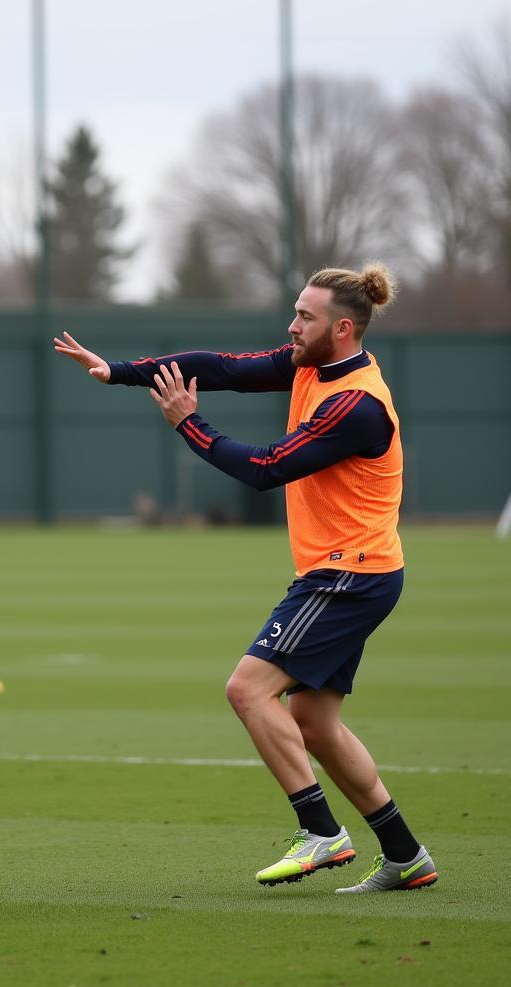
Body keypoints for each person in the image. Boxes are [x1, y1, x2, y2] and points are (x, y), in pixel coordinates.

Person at [55, 265, 437, 894]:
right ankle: (405, 854)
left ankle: (320, 833)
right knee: (314, 722)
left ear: (342, 329)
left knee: (247, 689)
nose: (292, 326)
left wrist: (188, 423)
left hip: (350, 573)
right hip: (350, 570)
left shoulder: (357, 407)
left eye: (305, 318)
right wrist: (118, 371)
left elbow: (264, 468)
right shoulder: (309, 365)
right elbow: (223, 368)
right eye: (295, 311)